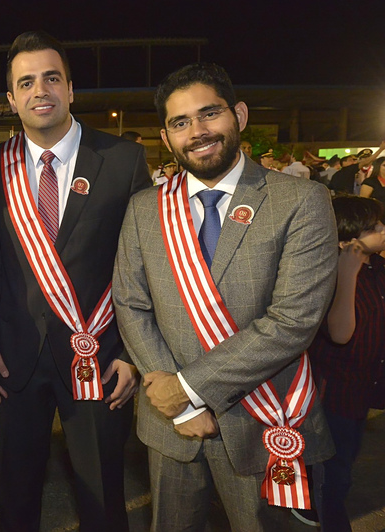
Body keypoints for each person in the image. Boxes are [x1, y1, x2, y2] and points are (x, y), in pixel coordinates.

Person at [113, 63, 337, 530]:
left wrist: (187, 391)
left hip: (263, 419)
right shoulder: (144, 208)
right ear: (166, 137)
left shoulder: (300, 200)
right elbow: (131, 304)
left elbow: (293, 321)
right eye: (180, 122)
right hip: (171, 426)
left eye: (209, 113)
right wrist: (177, 403)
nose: (197, 131)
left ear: (239, 115)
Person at [0, 31, 149, 532]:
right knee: (16, 495)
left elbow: (144, 263)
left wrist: (133, 353)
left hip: (99, 355)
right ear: (11, 99)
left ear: (70, 88)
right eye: (26, 82)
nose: (40, 90)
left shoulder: (123, 158)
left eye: (51, 78)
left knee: (102, 497)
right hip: (15, 358)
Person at [308, 196, 385, 531]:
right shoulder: (327, 275)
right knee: (333, 474)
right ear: (346, 242)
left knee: (347, 460)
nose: (383, 229)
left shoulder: (376, 267)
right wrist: (347, 273)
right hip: (335, 393)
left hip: (364, 387)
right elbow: (341, 333)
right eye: (373, 227)